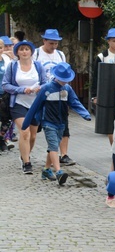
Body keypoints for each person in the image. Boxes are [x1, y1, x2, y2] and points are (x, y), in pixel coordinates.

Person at [21, 62, 91, 185]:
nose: (65, 82)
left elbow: (75, 102)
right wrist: (26, 123)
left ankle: (46, 170)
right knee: (53, 146)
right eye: (63, 79)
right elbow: (35, 106)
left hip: (61, 123)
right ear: (56, 76)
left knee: (52, 147)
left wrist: (85, 114)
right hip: (48, 122)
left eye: (67, 79)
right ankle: (59, 172)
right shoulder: (47, 88)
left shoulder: (67, 89)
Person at [32, 29, 75, 167]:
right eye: (51, 43)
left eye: (56, 43)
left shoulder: (61, 54)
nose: (54, 46)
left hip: (59, 95)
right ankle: (26, 154)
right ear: (44, 41)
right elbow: (32, 73)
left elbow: (66, 72)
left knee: (63, 124)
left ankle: (64, 154)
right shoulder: (37, 54)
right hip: (42, 95)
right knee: (35, 129)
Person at [2, 41, 45, 174]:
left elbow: (46, 83)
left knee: (32, 136)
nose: (24, 52)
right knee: (24, 132)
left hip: (35, 104)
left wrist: (39, 89)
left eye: (27, 49)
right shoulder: (13, 66)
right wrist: (21, 89)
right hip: (18, 103)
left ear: (31, 52)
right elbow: (5, 85)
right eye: (21, 49)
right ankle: (27, 163)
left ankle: (24, 154)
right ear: (17, 52)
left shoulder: (38, 65)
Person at [91, 28, 115, 145]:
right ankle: (114, 147)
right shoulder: (102, 56)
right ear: (108, 41)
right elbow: (95, 77)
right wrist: (94, 95)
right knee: (110, 122)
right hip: (107, 92)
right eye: (114, 41)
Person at [0, 37, 15, 152]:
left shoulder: (7, 59)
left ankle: (2, 138)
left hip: (5, 93)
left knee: (6, 119)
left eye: (1, 47)